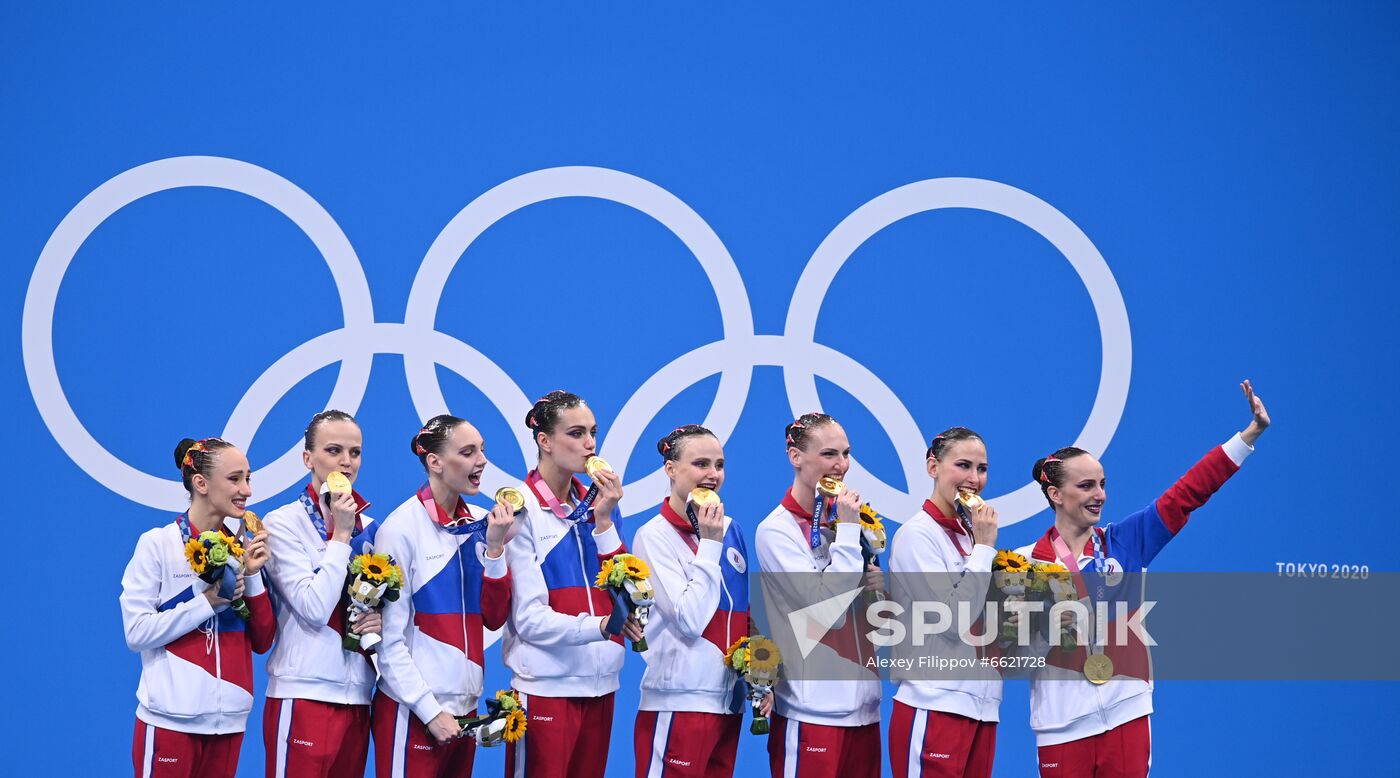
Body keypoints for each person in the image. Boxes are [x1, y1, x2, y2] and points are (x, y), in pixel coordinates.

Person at [1015, 380, 1271, 777]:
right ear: (1055, 494)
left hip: (1126, 713)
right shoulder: (1023, 564)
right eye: (1085, 486)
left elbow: (1187, 495)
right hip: (1060, 726)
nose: (1099, 494)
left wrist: (1248, 436)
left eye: (1102, 484)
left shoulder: (1126, 543)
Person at [502, 390, 642, 778]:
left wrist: (605, 522)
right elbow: (528, 619)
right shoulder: (521, 511)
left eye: (593, 432)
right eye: (577, 433)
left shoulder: (596, 504)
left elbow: (626, 592)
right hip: (545, 689)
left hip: (601, 687)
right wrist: (599, 627)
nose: (591, 444)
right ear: (544, 441)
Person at [371, 414, 517, 777]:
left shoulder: (484, 524)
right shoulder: (400, 530)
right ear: (434, 462)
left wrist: (496, 550)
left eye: (482, 450)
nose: (481, 460)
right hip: (413, 711)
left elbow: (494, 617)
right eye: (467, 452)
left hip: (464, 712)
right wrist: (429, 709)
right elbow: (388, 641)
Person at [122, 437, 275, 777]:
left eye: (248, 478)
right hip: (169, 723)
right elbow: (137, 632)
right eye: (235, 479)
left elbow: (264, 640)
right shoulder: (158, 545)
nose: (247, 490)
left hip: (229, 725)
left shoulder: (242, 549)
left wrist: (250, 575)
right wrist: (206, 603)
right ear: (201, 483)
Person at [630, 424, 771, 778]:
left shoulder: (732, 528)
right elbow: (689, 619)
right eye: (701, 464)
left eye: (719, 465)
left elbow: (740, 612)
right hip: (678, 705)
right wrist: (709, 544)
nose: (713, 475)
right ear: (671, 468)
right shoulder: (653, 537)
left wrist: (762, 676)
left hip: (727, 705)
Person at [755, 412, 883, 778]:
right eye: (829, 454)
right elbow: (825, 610)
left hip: (865, 712)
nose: (841, 465)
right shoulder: (776, 531)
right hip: (811, 713)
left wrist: (876, 591)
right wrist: (847, 531)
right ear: (795, 456)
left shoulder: (848, 524)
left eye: (846, 454)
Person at [261, 409, 381, 777]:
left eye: (355, 452)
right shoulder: (282, 524)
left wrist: (382, 621)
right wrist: (341, 536)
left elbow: (381, 608)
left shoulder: (372, 529)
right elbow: (313, 608)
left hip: (359, 697)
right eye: (334, 451)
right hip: (302, 697)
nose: (346, 462)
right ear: (307, 458)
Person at [886, 426, 1002, 778]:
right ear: (932, 466)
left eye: (981, 469)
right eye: (963, 466)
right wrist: (983, 550)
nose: (974, 479)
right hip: (932, 705)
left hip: (982, 709)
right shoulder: (916, 537)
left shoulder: (972, 537)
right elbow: (951, 621)